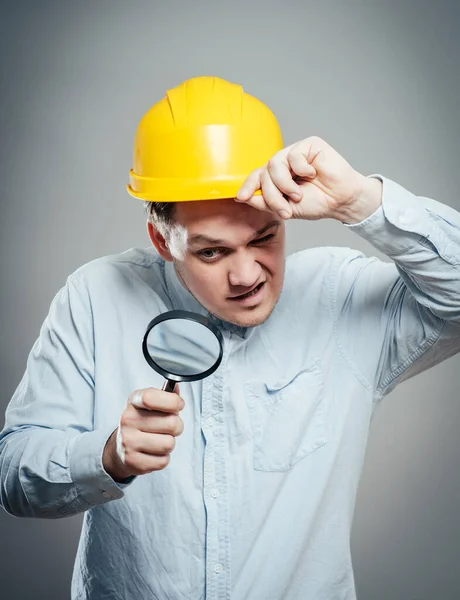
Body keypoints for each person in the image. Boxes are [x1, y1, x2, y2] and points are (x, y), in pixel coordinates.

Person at [1, 75, 459, 600]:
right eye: (212, 252)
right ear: (160, 237)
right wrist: (107, 457)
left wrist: (361, 201)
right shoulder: (95, 296)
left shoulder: (340, 295)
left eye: (265, 238)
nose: (247, 276)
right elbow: (13, 475)